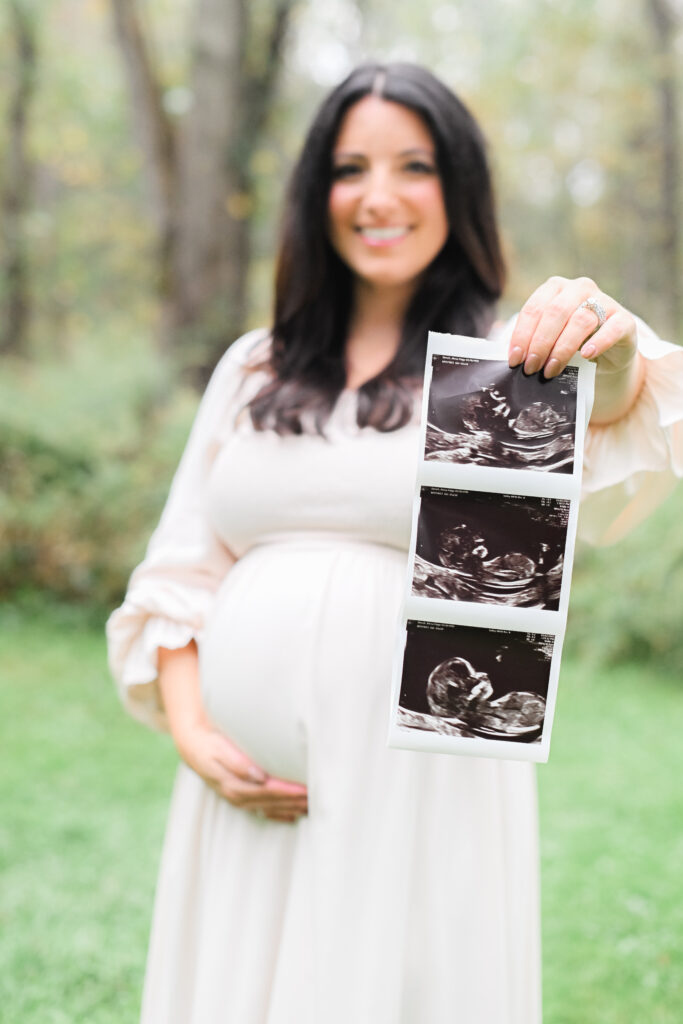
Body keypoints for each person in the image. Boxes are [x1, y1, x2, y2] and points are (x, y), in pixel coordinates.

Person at [106, 63, 683, 1024]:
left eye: (413, 165)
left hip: (427, 779)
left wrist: (609, 353)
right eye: (349, 168)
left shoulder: (514, 365)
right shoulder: (254, 366)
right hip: (251, 791)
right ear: (313, 196)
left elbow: (619, 416)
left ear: (457, 189)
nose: (378, 196)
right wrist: (198, 736)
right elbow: (177, 575)